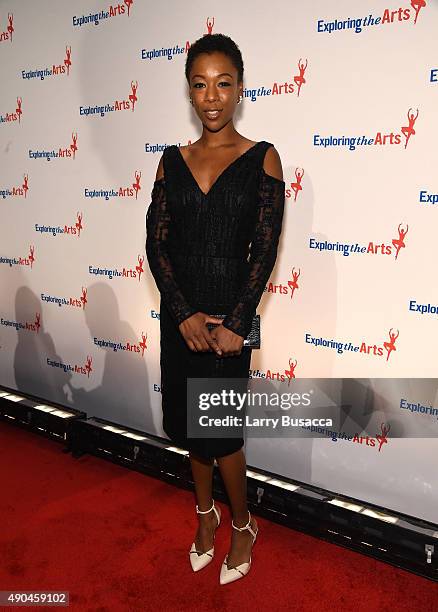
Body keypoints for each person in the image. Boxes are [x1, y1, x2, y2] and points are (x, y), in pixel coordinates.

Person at [146, 33, 285, 584]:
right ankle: (204, 520)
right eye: (200, 85)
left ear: (240, 89)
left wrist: (236, 323)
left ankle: (243, 523)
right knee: (190, 431)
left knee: (222, 436)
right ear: (189, 91)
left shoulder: (262, 158)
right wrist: (179, 313)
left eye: (223, 84)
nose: (212, 96)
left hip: (229, 325)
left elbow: (265, 248)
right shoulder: (170, 162)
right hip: (181, 321)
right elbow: (157, 245)